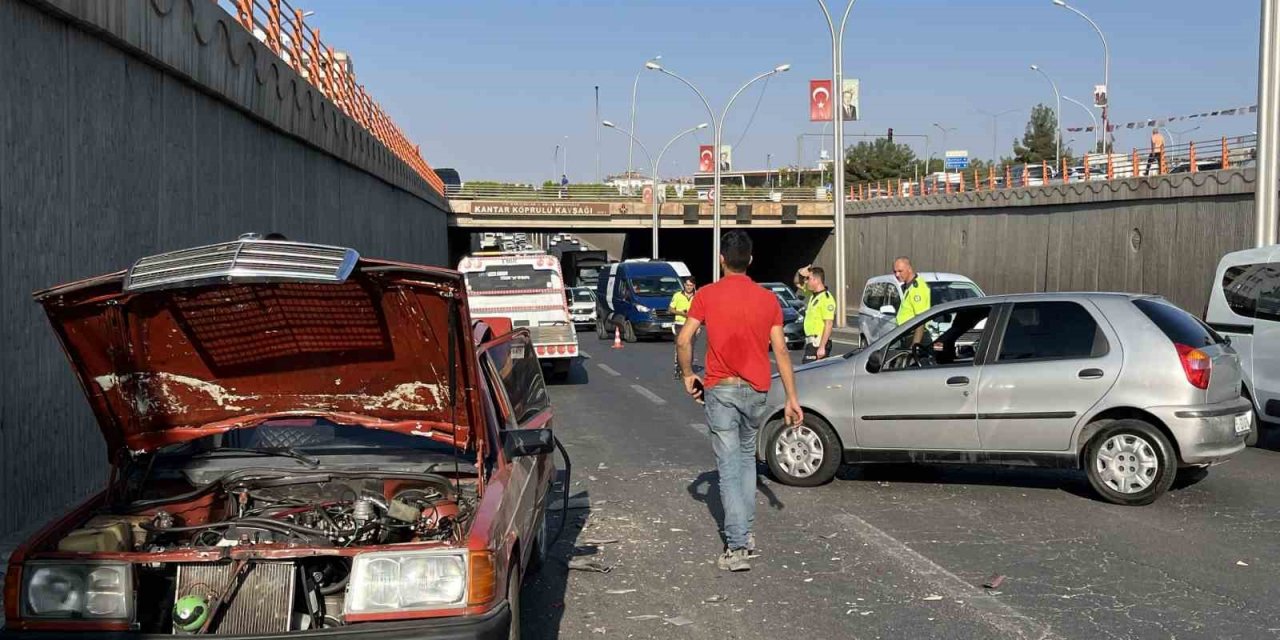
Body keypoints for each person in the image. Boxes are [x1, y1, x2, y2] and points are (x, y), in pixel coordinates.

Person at [677, 231, 802, 573]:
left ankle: (736, 545)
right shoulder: (767, 300)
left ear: (721, 259)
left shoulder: (706, 295)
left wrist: (688, 374)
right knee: (747, 459)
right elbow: (781, 349)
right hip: (757, 390)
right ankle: (745, 533)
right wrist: (792, 398)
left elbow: (685, 339)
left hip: (721, 389)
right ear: (750, 259)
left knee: (729, 466)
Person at [893, 256, 931, 346]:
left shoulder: (917, 289)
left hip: (916, 337)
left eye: (900, 271)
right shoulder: (909, 286)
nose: (897, 275)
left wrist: (914, 346)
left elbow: (921, 320)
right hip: (907, 336)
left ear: (909, 269)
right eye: (895, 271)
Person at [802, 267, 836, 362]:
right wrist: (801, 272)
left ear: (816, 280)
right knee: (809, 372)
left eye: (808, 279)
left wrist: (822, 347)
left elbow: (828, 323)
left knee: (809, 372)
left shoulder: (826, 299)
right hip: (811, 343)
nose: (806, 282)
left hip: (818, 343)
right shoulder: (812, 295)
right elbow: (797, 282)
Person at [668, 277, 696, 377]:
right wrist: (681, 313)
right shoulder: (677, 295)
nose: (689, 287)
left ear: (694, 286)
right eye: (687, 285)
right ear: (684, 285)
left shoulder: (697, 296)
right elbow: (670, 309)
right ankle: (678, 368)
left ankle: (688, 369)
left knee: (690, 347)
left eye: (691, 285)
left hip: (692, 324)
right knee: (680, 346)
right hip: (680, 323)